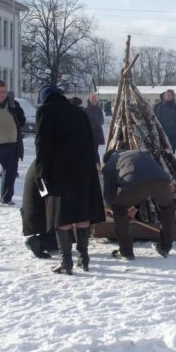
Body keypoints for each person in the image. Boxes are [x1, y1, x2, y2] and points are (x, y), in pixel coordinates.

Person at [35, 85, 105, 273]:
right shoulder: (78, 112)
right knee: (81, 213)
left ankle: (66, 261)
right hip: (83, 169)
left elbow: (42, 145)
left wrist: (41, 174)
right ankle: (84, 257)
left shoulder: (45, 112)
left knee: (61, 215)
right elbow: (90, 141)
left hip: (58, 171)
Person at [102, 149, 176, 260]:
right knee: (167, 208)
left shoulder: (109, 165)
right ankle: (165, 246)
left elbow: (109, 195)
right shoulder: (140, 153)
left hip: (135, 183)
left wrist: (110, 209)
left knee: (119, 209)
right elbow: (147, 182)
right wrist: (136, 207)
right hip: (162, 180)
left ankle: (126, 252)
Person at [85, 92, 106, 158]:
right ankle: (95, 162)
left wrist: (99, 123)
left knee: (95, 149)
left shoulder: (98, 109)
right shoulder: (86, 110)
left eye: (95, 101)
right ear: (90, 101)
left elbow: (102, 120)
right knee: (91, 149)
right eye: (93, 101)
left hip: (97, 132)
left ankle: (97, 163)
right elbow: (85, 121)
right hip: (89, 133)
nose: (94, 102)